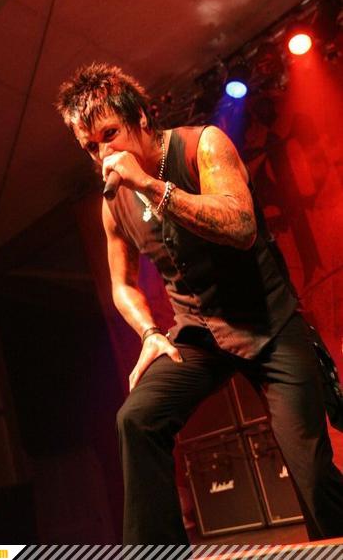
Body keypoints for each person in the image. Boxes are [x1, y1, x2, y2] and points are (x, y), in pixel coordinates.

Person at [56, 62, 343, 544]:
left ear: (141, 118)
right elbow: (121, 284)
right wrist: (149, 332)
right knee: (136, 420)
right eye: (91, 146)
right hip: (200, 332)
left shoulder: (203, 145)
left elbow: (240, 226)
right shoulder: (113, 204)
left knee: (312, 474)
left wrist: (149, 185)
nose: (104, 153)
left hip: (270, 324)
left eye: (110, 134)